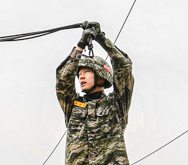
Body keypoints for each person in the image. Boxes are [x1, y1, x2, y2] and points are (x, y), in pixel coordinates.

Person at [55, 22, 134, 165]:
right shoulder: (73, 106)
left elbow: (124, 68)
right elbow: (62, 80)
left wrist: (102, 40)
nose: (82, 77)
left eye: (86, 72)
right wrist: (80, 45)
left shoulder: (116, 105)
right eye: (79, 74)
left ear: (101, 76)